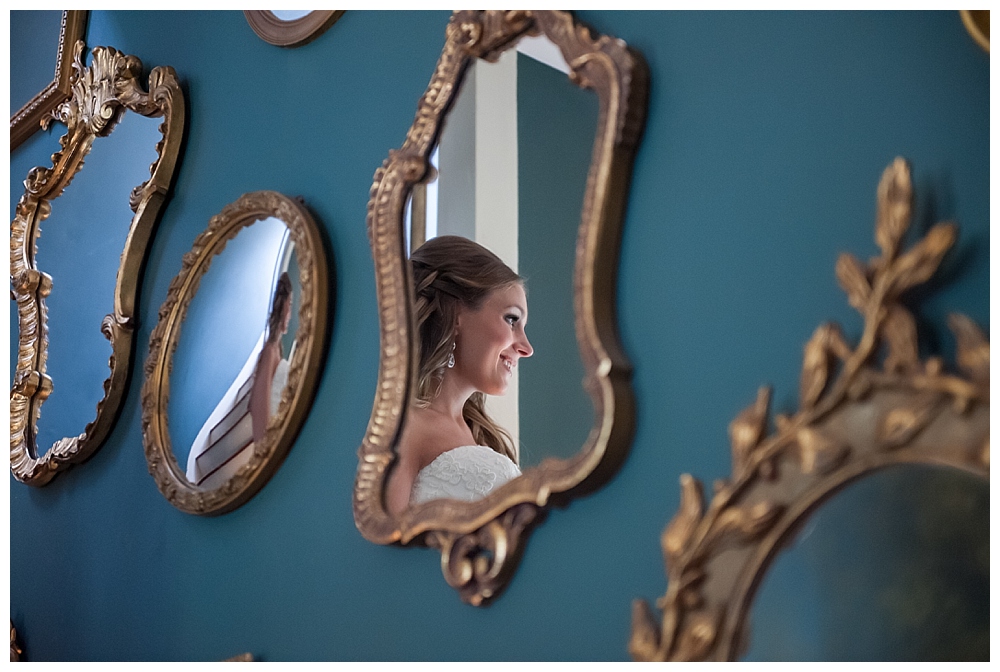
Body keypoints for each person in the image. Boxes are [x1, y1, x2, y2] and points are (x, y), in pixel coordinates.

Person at [385, 236, 534, 515]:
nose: (526, 348)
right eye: (512, 319)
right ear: (455, 315)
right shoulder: (404, 427)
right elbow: (381, 544)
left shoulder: (482, 434)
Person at [186, 272, 293, 488]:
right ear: (283, 308)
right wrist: (268, 457)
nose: (291, 313)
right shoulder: (270, 352)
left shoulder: (276, 351)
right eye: (290, 304)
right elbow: (258, 407)